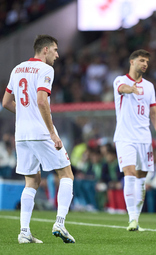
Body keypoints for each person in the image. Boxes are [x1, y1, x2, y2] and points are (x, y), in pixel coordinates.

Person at [2, 35, 75, 244]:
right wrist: (52, 132)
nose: (57, 55)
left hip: (22, 135)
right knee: (66, 173)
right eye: (55, 50)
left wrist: (25, 114)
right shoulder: (45, 70)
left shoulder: (17, 69)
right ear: (44, 50)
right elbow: (42, 101)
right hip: (41, 132)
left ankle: (24, 231)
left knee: (32, 181)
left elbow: (6, 101)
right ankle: (60, 222)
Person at [113, 49, 156, 231]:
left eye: (147, 62)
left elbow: (153, 112)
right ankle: (131, 218)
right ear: (132, 61)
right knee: (130, 173)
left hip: (144, 138)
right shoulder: (120, 80)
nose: (145, 64)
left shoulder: (149, 86)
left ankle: (136, 219)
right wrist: (131, 89)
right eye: (142, 60)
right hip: (125, 137)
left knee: (142, 179)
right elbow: (121, 89)